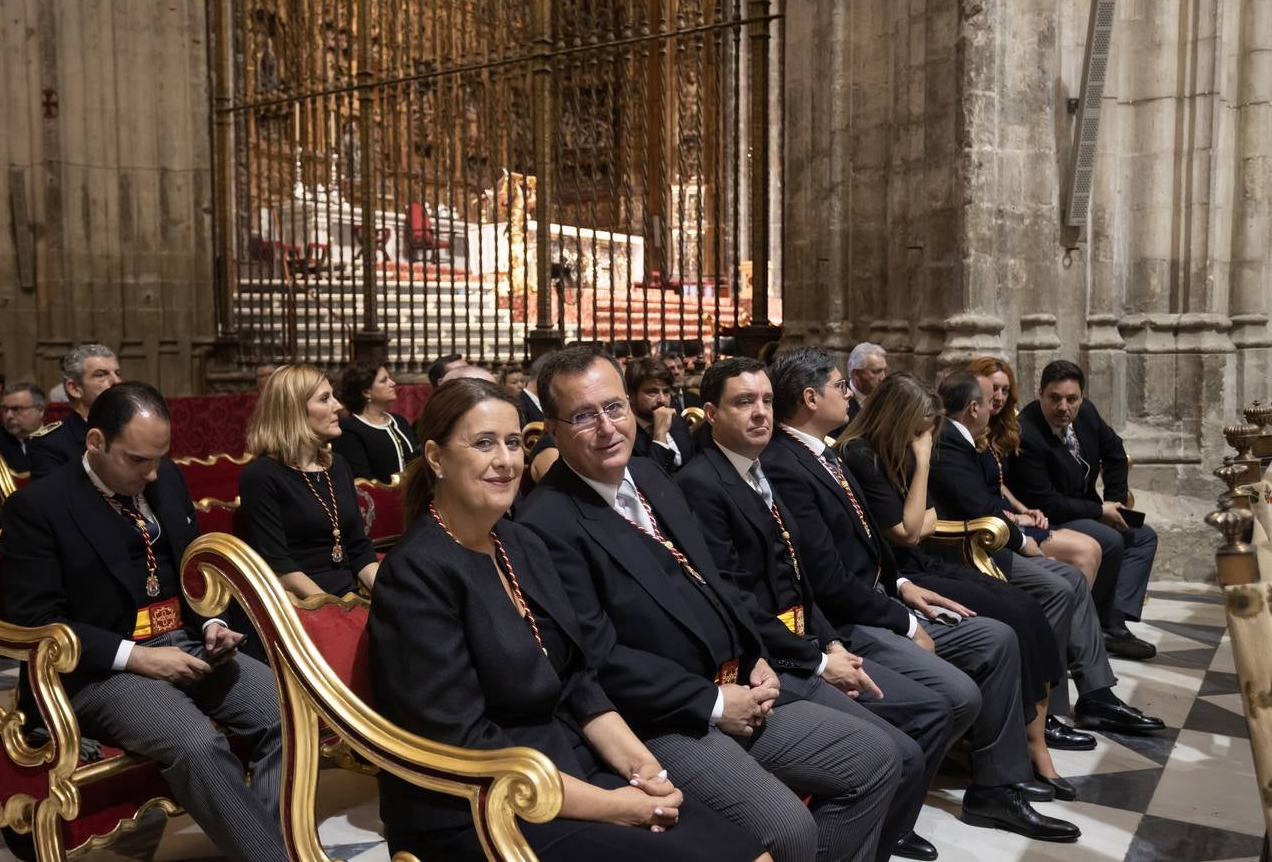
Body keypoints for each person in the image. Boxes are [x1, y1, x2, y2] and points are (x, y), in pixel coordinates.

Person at [519, 344, 904, 862]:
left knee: (878, 757)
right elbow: (597, 657)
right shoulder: (547, 522)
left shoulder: (651, 474)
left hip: (738, 682)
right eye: (584, 416)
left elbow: (719, 578)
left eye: (613, 408)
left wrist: (756, 655)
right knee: (788, 828)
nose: (608, 428)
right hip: (663, 719)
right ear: (555, 428)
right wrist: (716, 703)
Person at [369, 378, 768, 862]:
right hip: (479, 804)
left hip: (570, 769)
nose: (506, 460)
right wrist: (614, 806)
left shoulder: (521, 544)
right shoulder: (416, 573)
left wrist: (646, 770)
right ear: (435, 457)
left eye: (514, 442)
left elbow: (580, 680)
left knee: (750, 853)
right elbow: (464, 743)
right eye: (483, 443)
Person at [762, 348, 1079, 842]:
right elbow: (832, 575)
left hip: (886, 593)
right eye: (838, 386)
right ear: (810, 398)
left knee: (997, 637)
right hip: (846, 621)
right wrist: (904, 621)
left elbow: (870, 546)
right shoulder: (792, 462)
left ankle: (997, 785)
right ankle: (896, 795)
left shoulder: (822, 452)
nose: (848, 394)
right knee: (956, 694)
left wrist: (905, 589)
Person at [677, 356, 954, 862]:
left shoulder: (758, 471)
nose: (761, 413)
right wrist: (820, 661)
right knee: (898, 753)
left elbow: (801, 584)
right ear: (711, 414)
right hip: (767, 663)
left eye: (764, 401)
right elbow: (736, 601)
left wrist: (829, 642)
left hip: (805, 643)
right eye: (744, 403)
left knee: (909, 746)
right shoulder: (702, 484)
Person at [0, 382, 285, 862]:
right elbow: (37, 620)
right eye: (136, 460)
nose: (153, 474)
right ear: (95, 442)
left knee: (284, 713)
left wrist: (213, 621)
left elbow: (189, 567)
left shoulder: (165, 477)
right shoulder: (39, 507)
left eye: (159, 458)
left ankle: (266, 847)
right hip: (103, 668)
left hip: (189, 643)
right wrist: (141, 658)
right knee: (196, 743)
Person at [837, 373, 1071, 797]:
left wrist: (916, 511)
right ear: (899, 420)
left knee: (1025, 605)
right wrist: (923, 462)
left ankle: (1035, 736)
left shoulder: (895, 451)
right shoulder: (862, 454)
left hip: (918, 562)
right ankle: (1023, 748)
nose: (927, 435)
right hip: (902, 571)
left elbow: (925, 519)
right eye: (922, 426)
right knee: (1012, 618)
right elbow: (909, 531)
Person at [930, 371, 1163, 754]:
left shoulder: (967, 439)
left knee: (1072, 579)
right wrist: (1023, 537)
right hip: (975, 549)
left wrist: (1020, 518)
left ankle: (1096, 696)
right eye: (991, 399)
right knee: (1061, 584)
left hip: (999, 534)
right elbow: (979, 508)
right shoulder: (949, 446)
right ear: (974, 407)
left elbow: (989, 499)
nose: (998, 404)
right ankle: (1044, 710)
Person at [1005, 360, 1158, 661]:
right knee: (1111, 541)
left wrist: (1114, 503)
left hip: (1084, 508)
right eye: (1055, 398)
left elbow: (1115, 452)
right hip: (1048, 518)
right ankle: (1094, 627)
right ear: (1040, 394)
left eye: (1071, 399)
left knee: (1143, 537)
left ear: (1081, 398)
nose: (1064, 407)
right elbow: (1048, 502)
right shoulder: (1029, 433)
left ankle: (1113, 621)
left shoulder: (1086, 414)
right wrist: (1100, 510)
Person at [239, 364, 380, 597]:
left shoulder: (338, 465)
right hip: (300, 604)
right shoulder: (261, 475)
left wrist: (390, 596)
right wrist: (333, 608)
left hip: (349, 596)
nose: (339, 406)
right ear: (293, 410)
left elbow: (358, 547)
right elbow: (280, 567)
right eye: (325, 399)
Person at [966, 358, 1105, 587]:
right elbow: (977, 492)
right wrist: (1015, 516)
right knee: (1087, 551)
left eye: (1005, 390)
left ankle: (1094, 620)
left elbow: (998, 481)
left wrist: (1023, 509)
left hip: (1013, 515)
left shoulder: (1000, 428)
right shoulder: (970, 432)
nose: (999, 396)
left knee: (1096, 548)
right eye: (993, 389)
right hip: (993, 525)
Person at [28, 344, 122, 479]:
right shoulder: (50, 444)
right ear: (75, 389)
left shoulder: (131, 429)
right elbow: (54, 497)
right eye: (101, 375)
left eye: (118, 373)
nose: (117, 381)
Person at [0, 382, 47, 529]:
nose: (8, 416)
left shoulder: (60, 438)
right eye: (4, 409)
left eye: (16, 409)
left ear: (40, 410)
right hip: (6, 528)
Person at [331, 362, 418, 482]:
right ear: (366, 392)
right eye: (384, 380)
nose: (393, 383)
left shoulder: (399, 420)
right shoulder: (349, 429)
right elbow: (362, 480)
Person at [625, 357, 697, 473]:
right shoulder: (625, 435)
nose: (662, 400)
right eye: (652, 392)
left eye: (666, 391)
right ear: (632, 396)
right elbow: (651, 480)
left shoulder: (675, 415)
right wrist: (660, 434)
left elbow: (692, 460)